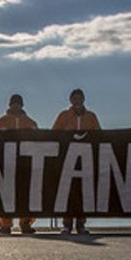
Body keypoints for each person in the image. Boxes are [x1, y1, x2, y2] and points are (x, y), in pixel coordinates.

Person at [51, 88, 100, 235]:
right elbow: (54, 134)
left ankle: (81, 224)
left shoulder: (91, 116)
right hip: (67, 160)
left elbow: (99, 135)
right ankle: (67, 224)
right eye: (75, 98)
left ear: (83, 99)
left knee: (83, 192)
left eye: (80, 98)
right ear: (71, 100)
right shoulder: (63, 115)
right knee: (67, 192)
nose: (77, 100)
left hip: (86, 161)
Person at [0, 94, 38, 234]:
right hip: (6, 166)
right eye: (13, 103)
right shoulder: (1, 121)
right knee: (6, 195)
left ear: (21, 105)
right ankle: (5, 224)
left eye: (18, 103)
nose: (15, 105)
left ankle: (26, 223)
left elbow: (39, 142)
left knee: (26, 194)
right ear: (10, 105)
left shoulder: (30, 123)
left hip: (25, 166)